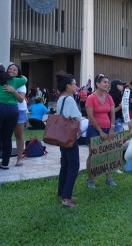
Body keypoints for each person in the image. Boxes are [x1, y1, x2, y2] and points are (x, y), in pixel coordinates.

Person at [0, 63, 27, 175]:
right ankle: (5, 163)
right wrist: (12, 77)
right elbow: (25, 79)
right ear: (4, 71)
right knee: (6, 138)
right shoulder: (13, 81)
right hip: (13, 110)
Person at [55, 71, 82, 208]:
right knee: (74, 165)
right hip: (70, 136)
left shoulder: (61, 98)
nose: (76, 87)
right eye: (74, 85)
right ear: (68, 86)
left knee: (65, 164)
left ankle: (62, 192)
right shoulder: (70, 99)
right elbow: (77, 117)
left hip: (62, 136)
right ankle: (66, 198)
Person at [85, 74, 117, 188]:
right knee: (93, 155)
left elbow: (112, 113)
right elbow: (90, 116)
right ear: (97, 84)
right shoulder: (91, 98)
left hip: (108, 128)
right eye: (104, 82)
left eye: (107, 82)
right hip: (94, 129)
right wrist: (100, 131)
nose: (107, 84)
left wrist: (112, 128)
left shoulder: (109, 97)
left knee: (107, 153)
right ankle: (90, 180)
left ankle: (109, 178)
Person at [5, 63, 27, 166]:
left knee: (18, 134)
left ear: (18, 72)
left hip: (20, 110)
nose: (12, 71)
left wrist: (13, 91)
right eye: (10, 69)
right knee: (6, 135)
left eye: (14, 70)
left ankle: (19, 158)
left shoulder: (21, 84)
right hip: (7, 110)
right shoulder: (4, 82)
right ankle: (5, 159)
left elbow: (21, 99)